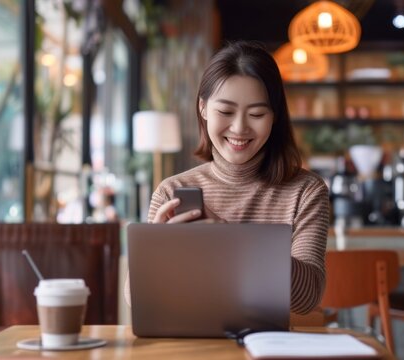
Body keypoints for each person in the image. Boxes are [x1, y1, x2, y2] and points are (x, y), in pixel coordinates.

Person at [129, 40, 329, 315]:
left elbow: (307, 299)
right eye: (225, 111)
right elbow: (138, 299)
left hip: (271, 347)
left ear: (274, 116)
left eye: (257, 114)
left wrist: (231, 239)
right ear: (203, 108)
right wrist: (156, 252)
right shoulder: (173, 190)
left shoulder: (305, 191)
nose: (239, 128)